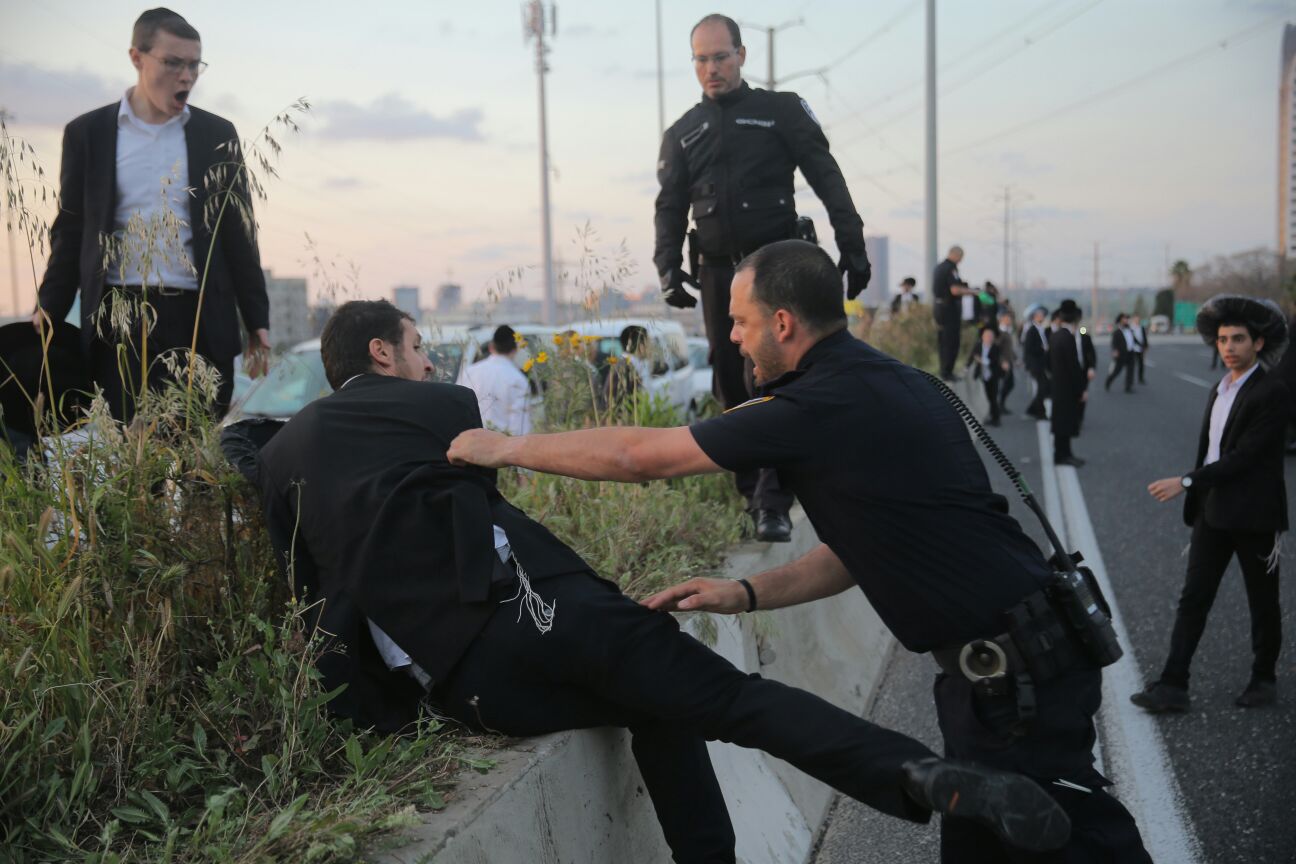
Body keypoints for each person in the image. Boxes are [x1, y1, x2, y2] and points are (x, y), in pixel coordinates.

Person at [255, 298, 1073, 863]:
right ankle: (915, 774)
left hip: (474, 687)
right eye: (417, 346)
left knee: (656, 706)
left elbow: (318, 598)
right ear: (381, 354)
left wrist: (377, 719)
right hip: (553, 611)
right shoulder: (438, 406)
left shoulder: (280, 459)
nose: (429, 359)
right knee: (727, 699)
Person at [449, 241, 1150, 863]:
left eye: (739, 321)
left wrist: (506, 448)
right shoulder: (905, 383)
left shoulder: (816, 405)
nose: (732, 337)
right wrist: (745, 592)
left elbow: (641, 456)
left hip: (1014, 680)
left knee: (1077, 839)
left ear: (782, 323)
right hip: (1006, 669)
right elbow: (860, 551)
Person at [655, 13, 871, 543]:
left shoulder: (781, 111)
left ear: (741, 55)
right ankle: (753, 493)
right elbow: (669, 205)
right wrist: (667, 266)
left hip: (775, 266)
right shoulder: (682, 133)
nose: (711, 68)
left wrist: (852, 244)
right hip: (717, 272)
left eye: (720, 57)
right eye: (701, 59)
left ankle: (773, 500)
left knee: (773, 376)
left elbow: (827, 176)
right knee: (730, 380)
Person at [32, 7, 270, 421]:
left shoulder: (217, 135)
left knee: (195, 446)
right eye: (173, 63)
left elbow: (238, 232)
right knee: (131, 447)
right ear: (137, 57)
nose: (186, 76)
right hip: (117, 319)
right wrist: (49, 305)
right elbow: (70, 229)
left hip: (198, 319)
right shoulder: (88, 134)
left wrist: (257, 320)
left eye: (194, 65)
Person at [1132, 295, 1290, 713]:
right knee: (1194, 598)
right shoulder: (1219, 389)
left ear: (1258, 343)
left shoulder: (1272, 391)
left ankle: (1263, 679)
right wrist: (1199, 490)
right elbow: (1212, 452)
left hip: (1254, 515)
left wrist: (1186, 482)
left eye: (1238, 339)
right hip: (1214, 512)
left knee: (1262, 602)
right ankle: (1173, 684)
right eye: (1222, 340)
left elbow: (1244, 458)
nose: (1228, 347)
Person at [459, 324, 532, 436]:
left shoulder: (469, 372)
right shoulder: (518, 380)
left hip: (471, 440)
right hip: (502, 442)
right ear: (515, 349)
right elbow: (520, 427)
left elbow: (459, 409)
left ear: (491, 347)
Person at [1049, 300, 1087, 467]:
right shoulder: (1068, 338)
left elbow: (1048, 362)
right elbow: (1074, 367)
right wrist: (1081, 389)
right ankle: (1064, 455)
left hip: (1057, 385)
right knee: (1066, 423)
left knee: (1060, 422)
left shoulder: (1055, 335)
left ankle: (1062, 454)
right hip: (1068, 388)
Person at [932, 246, 970, 381]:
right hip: (949, 309)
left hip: (939, 308)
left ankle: (944, 370)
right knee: (952, 341)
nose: (960, 261)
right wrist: (972, 292)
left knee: (943, 341)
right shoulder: (951, 268)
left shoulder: (939, 267)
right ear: (955, 255)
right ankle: (947, 372)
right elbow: (955, 290)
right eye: (960, 257)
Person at [966, 325, 1006, 427]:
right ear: (983, 337)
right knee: (988, 397)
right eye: (987, 336)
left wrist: (981, 360)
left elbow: (994, 361)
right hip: (982, 375)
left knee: (993, 397)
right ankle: (992, 416)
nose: (989, 338)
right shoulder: (978, 346)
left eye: (991, 336)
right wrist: (967, 367)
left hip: (993, 375)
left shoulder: (996, 348)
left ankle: (996, 419)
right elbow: (972, 356)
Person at [1021, 305, 1051, 420]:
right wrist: (1042, 348)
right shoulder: (1031, 330)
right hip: (1035, 364)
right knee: (1041, 387)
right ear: (1035, 317)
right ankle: (1040, 412)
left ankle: (1032, 410)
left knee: (1043, 387)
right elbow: (1028, 348)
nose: (1042, 317)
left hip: (1041, 363)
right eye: (1040, 315)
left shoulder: (1041, 329)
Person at [1104, 314, 1135, 394]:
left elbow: (1133, 340)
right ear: (1120, 321)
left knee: (1130, 370)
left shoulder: (1130, 330)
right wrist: (1115, 351)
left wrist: (1142, 344)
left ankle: (1128, 387)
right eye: (1124, 319)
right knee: (1117, 371)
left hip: (1130, 353)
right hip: (1121, 354)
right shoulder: (1117, 332)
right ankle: (1108, 381)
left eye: (1127, 319)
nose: (1126, 320)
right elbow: (1114, 343)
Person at [995, 311, 1017, 415]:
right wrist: (1002, 362)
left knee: (1009, 384)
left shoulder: (1007, 331)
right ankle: (998, 406)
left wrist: (1015, 359)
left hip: (1008, 362)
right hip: (1002, 364)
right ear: (1002, 319)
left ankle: (1001, 405)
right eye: (1007, 318)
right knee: (1005, 384)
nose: (1010, 321)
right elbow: (997, 349)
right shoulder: (999, 332)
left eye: (1010, 319)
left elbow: (1009, 348)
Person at [1129, 314, 1148, 384]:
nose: (1137, 320)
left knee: (1141, 365)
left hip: (1141, 349)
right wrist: (1139, 344)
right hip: (1133, 349)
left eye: (1138, 319)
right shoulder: (1131, 328)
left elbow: (1144, 337)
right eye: (1136, 319)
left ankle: (1141, 379)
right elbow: (1132, 339)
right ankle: (1131, 380)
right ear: (1134, 319)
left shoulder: (1141, 327)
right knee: (1132, 365)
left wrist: (1145, 346)